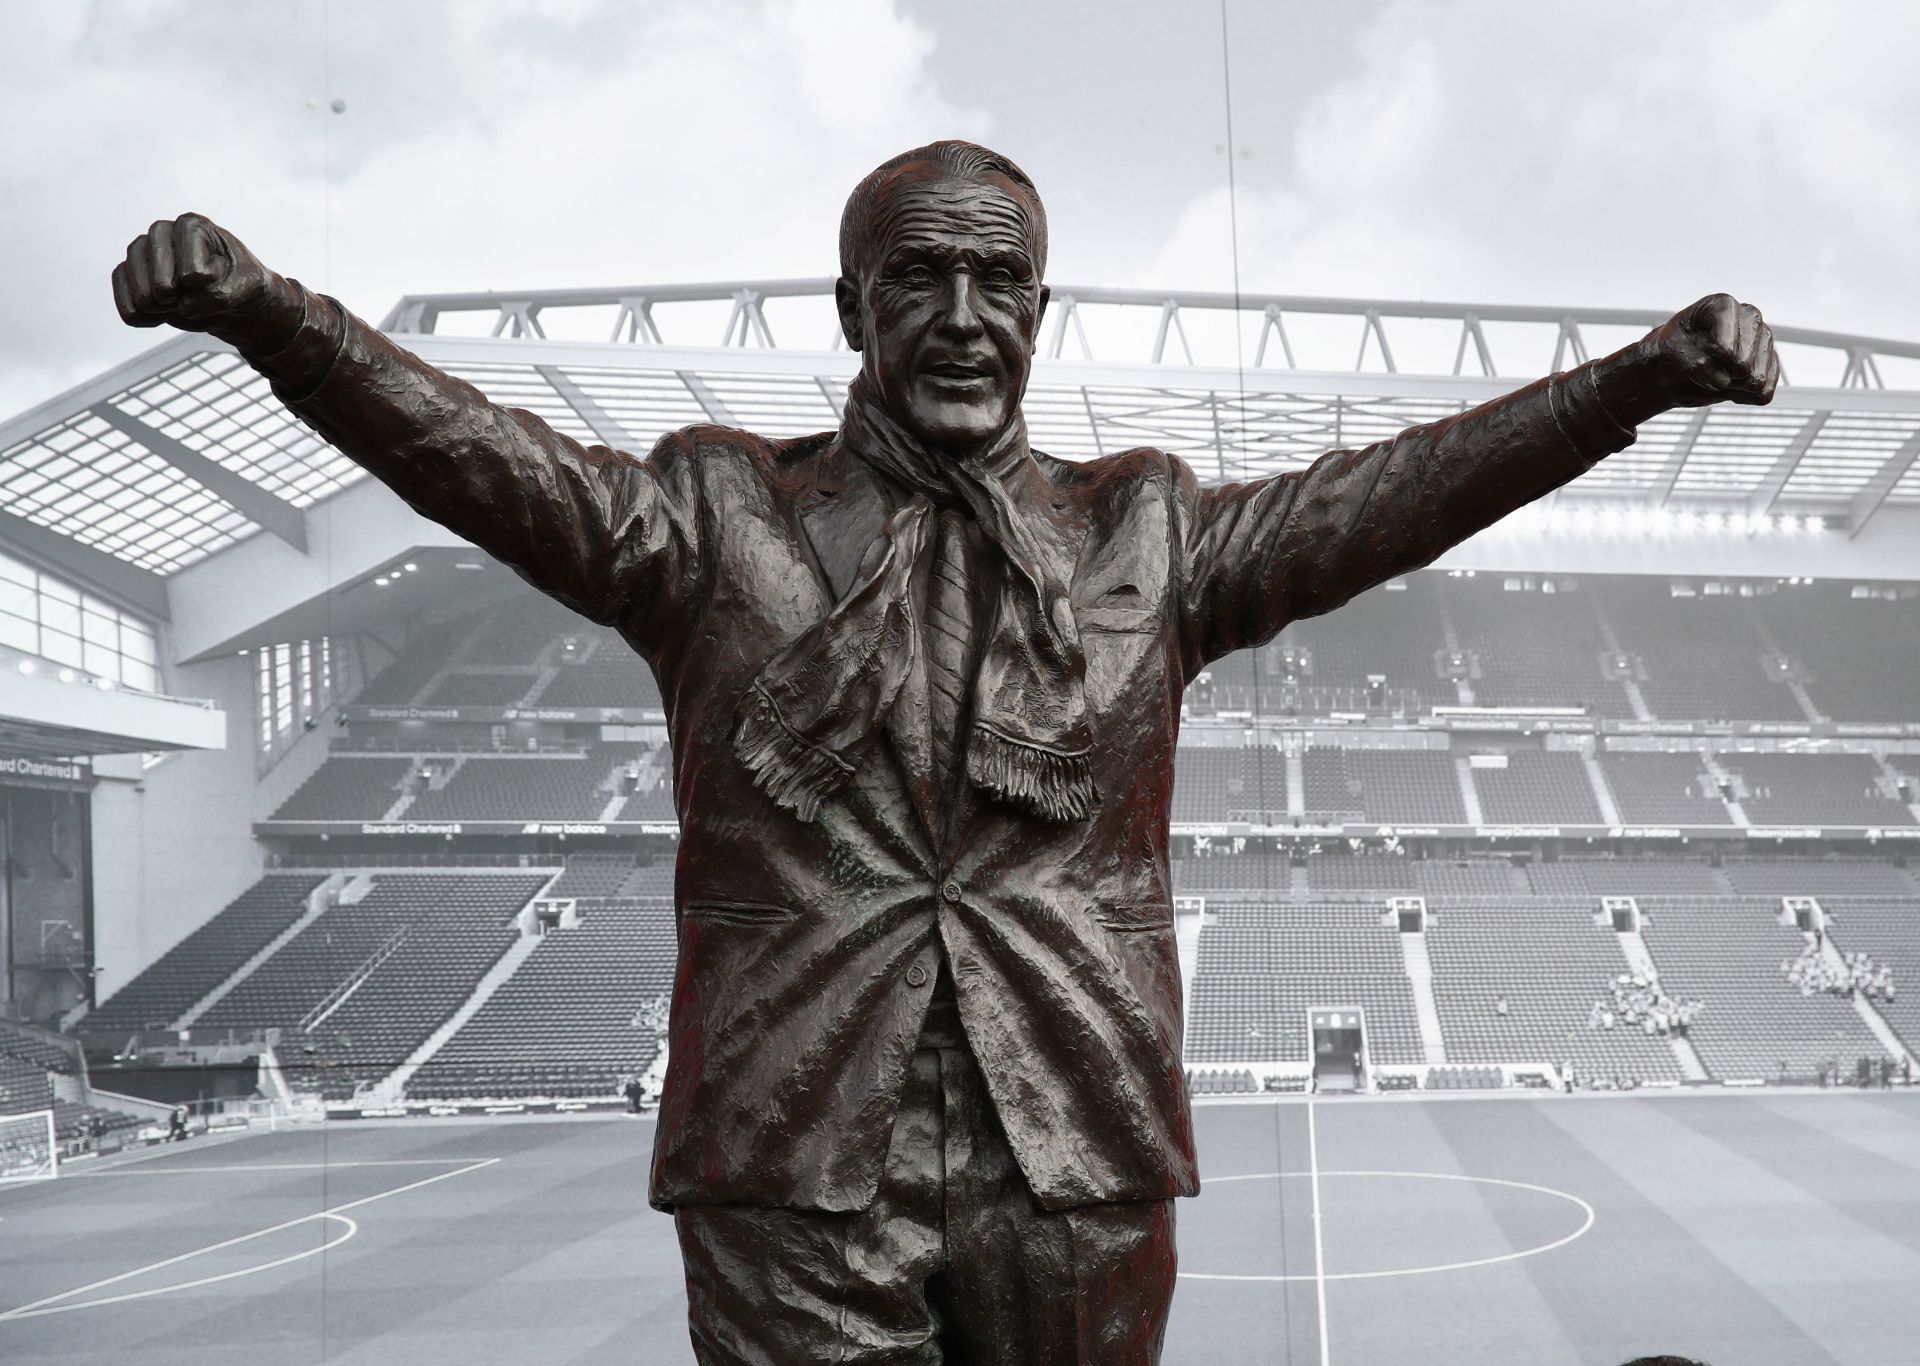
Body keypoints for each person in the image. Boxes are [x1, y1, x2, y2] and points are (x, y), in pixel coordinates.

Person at [114, 141, 1777, 1365]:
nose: (967, 317)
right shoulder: (714, 517)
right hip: (794, 1160)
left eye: (1002, 281)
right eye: (924, 277)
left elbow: (1382, 500)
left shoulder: (1145, 531)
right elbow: (485, 459)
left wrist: (1625, 386)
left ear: (1042, 309)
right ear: (854, 303)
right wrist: (277, 319)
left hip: (1074, 1157)